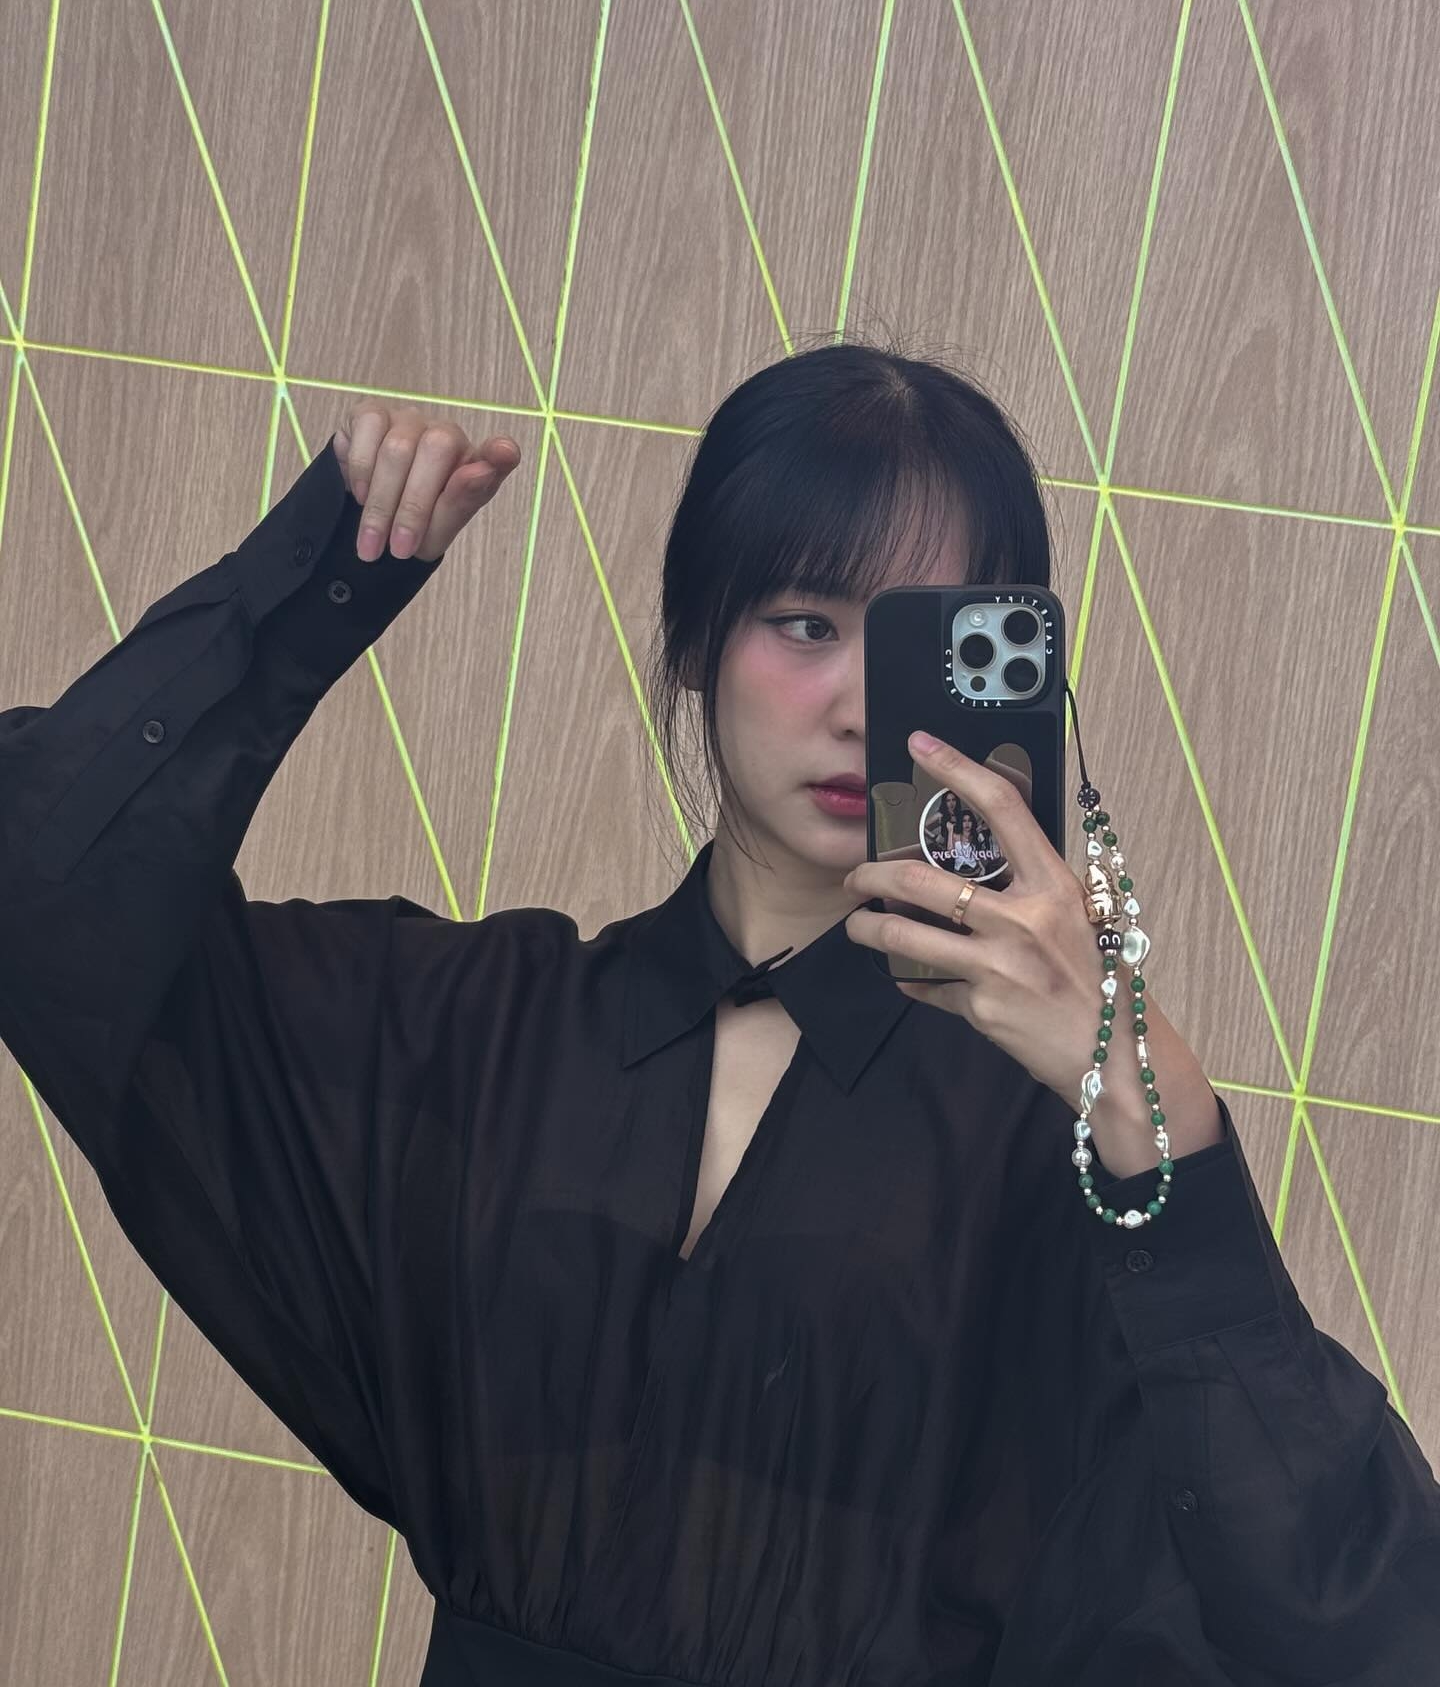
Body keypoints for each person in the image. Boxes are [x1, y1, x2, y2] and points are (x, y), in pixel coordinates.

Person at [1, 343, 1438, 1686]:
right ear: (695, 637)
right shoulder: (471, 1033)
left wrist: (1145, 1105)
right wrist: (317, 583)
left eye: (915, 643)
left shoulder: (1046, 1142)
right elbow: (42, 902)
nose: (855, 706)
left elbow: (1354, 1620)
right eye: (804, 623)